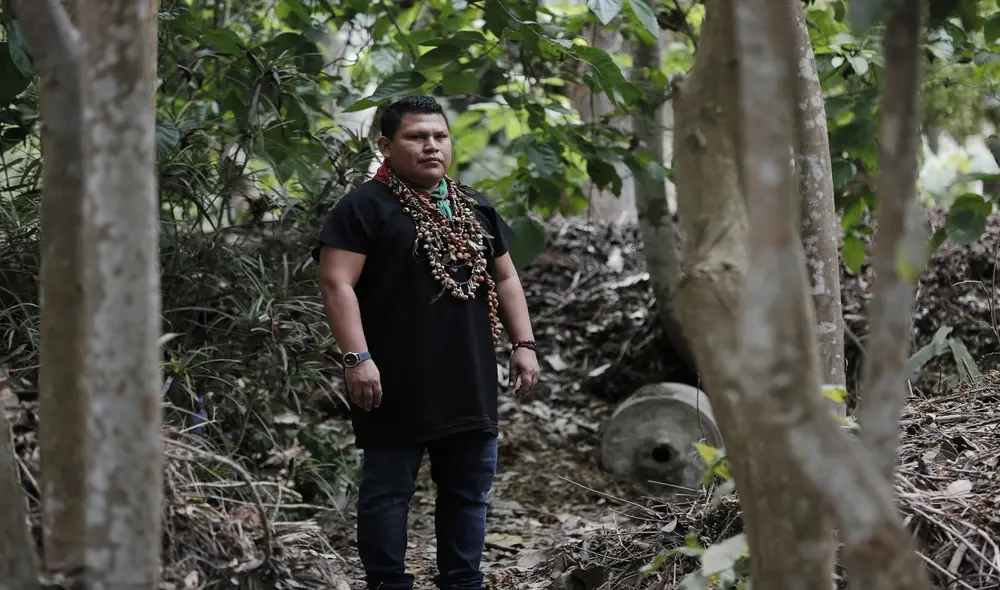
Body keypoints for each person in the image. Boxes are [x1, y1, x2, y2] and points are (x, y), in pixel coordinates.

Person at [313, 95, 541, 590]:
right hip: (393, 379)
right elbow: (337, 283)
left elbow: (505, 278)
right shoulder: (363, 207)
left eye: (439, 136)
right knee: (387, 492)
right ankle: (387, 583)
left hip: (469, 378)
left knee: (467, 493)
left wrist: (524, 342)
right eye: (417, 137)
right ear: (386, 145)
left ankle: (463, 582)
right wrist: (357, 358)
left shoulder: (474, 206)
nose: (431, 146)